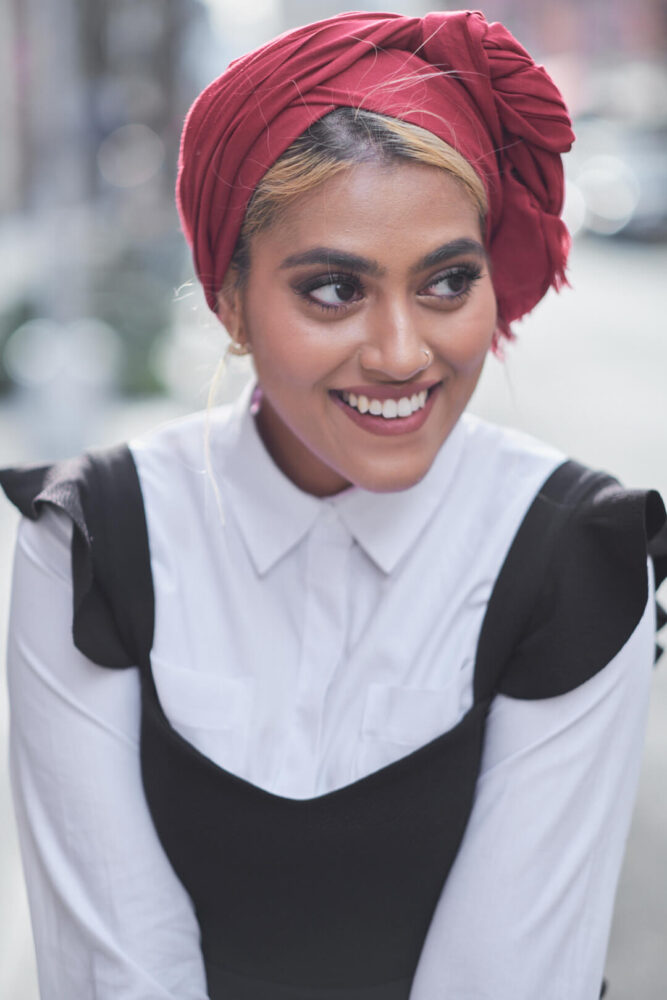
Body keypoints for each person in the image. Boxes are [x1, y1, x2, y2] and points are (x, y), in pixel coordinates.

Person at [2, 10, 666, 1000]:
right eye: (331, 290)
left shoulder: (580, 554)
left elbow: (506, 981)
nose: (402, 351)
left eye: (447, 280)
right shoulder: (91, 540)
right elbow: (113, 974)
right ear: (228, 300)